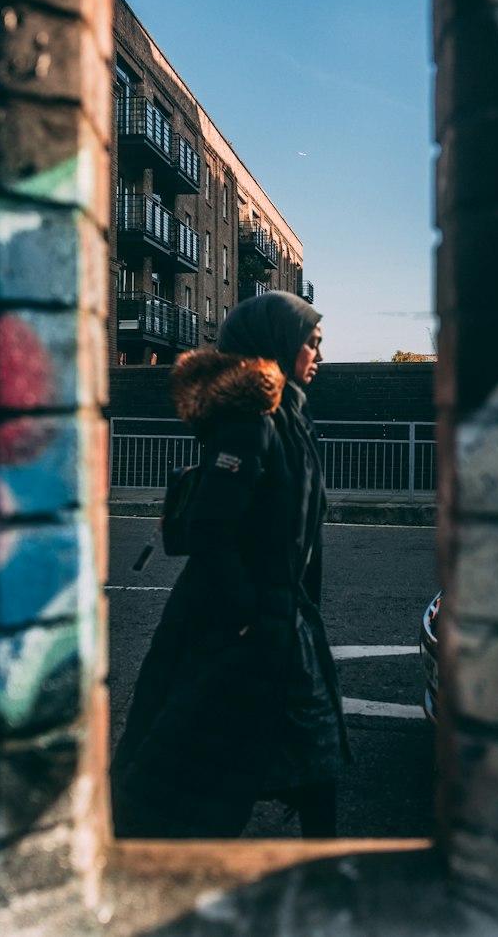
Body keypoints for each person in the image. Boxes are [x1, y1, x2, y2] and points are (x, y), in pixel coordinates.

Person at [110, 292, 350, 839]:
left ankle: (324, 875)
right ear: (277, 345)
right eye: (309, 343)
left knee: (313, 753)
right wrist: (245, 611)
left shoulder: (292, 416)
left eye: (317, 343)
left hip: (283, 622)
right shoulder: (251, 421)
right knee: (191, 763)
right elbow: (211, 528)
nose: (317, 353)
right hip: (238, 626)